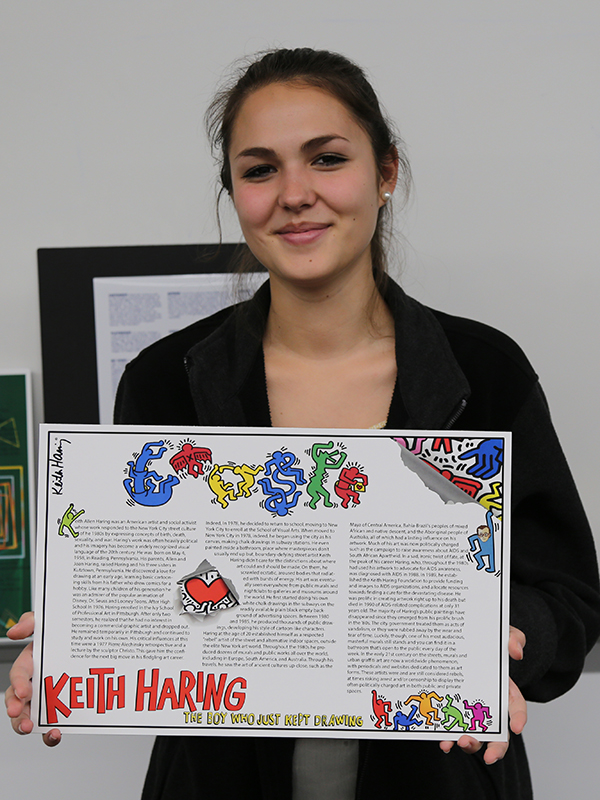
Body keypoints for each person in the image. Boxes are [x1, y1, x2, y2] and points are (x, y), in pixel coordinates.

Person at [6, 47, 600, 799]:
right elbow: (158, 586)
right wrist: (82, 637)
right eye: (259, 170)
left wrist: (497, 641)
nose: (294, 194)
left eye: (326, 159)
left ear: (385, 174)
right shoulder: (166, 379)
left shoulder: (485, 370)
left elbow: (569, 599)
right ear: (234, 194)